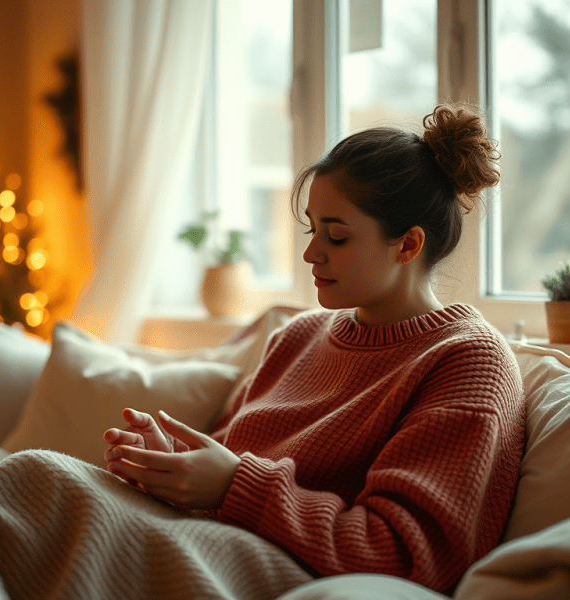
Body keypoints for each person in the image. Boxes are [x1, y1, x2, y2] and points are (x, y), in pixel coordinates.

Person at [102, 102, 525, 594]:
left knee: (31, 480)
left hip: (266, 572)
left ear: (407, 246)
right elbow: (223, 469)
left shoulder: (467, 363)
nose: (310, 253)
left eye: (337, 236)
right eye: (312, 228)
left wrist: (235, 484)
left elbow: (404, 553)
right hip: (197, 541)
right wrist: (167, 465)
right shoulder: (297, 337)